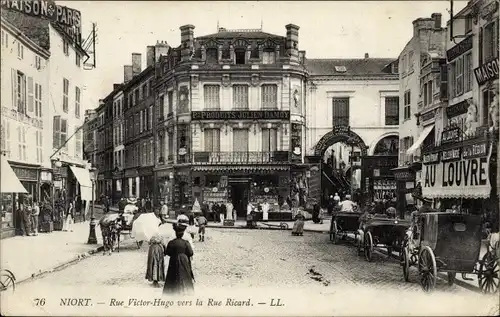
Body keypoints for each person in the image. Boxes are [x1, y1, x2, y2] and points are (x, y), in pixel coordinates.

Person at [163, 222, 195, 295]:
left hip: (174, 259)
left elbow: (168, 252)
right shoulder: (186, 242)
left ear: (176, 234)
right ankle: (185, 290)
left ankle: (173, 290)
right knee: (185, 274)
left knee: (173, 274)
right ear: (182, 234)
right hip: (184, 259)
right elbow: (190, 253)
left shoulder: (171, 242)